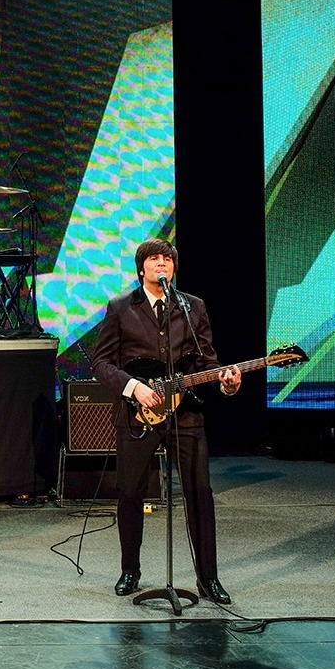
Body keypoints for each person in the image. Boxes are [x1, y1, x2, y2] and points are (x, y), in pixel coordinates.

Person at [90, 237, 240, 605]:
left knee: (200, 494)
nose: (163, 264)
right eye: (155, 259)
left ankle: (209, 578)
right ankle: (130, 570)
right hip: (138, 415)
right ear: (141, 268)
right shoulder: (121, 308)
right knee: (130, 492)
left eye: (168, 259)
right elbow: (101, 364)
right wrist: (133, 388)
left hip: (185, 413)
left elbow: (208, 362)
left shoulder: (193, 307)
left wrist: (227, 381)